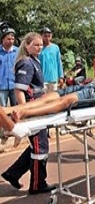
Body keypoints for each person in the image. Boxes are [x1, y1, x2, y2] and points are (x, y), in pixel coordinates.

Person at [1, 32, 55, 195]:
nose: (39, 48)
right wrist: (26, 112)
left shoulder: (34, 60)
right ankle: (38, 184)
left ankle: (13, 173)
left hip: (39, 108)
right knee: (40, 147)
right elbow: (19, 90)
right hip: (33, 110)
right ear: (27, 45)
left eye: (40, 45)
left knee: (37, 144)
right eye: (35, 45)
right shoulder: (26, 63)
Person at [3, 74, 95, 121]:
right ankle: (9, 109)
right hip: (92, 86)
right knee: (51, 96)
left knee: (65, 101)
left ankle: (24, 113)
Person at [39, 27, 64, 92]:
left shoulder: (55, 48)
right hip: (42, 80)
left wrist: (61, 77)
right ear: (41, 36)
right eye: (45, 36)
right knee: (43, 100)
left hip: (54, 79)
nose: (47, 38)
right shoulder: (39, 48)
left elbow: (59, 63)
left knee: (54, 100)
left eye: (49, 36)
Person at [0, 27, 18, 107]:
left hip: (15, 86)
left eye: (12, 39)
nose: (11, 41)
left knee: (17, 109)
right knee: (2, 111)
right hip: (1, 86)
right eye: (8, 39)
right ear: (2, 39)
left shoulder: (18, 51)